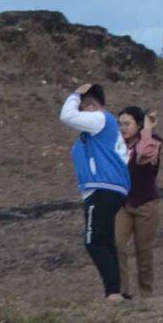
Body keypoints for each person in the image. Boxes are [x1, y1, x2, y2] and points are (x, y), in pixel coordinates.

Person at [58, 83, 132, 301]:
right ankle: (115, 291)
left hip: (103, 188)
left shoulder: (101, 119)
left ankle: (113, 293)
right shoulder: (100, 133)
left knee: (94, 242)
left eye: (82, 108)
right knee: (106, 241)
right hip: (108, 188)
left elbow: (66, 116)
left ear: (89, 105)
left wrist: (74, 95)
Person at [114, 106, 163, 298]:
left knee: (143, 251)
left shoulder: (153, 142)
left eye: (127, 124)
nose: (122, 128)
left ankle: (146, 294)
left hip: (146, 204)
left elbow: (141, 157)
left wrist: (147, 131)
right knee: (116, 244)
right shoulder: (117, 146)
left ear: (138, 125)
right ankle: (122, 291)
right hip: (123, 204)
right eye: (120, 124)